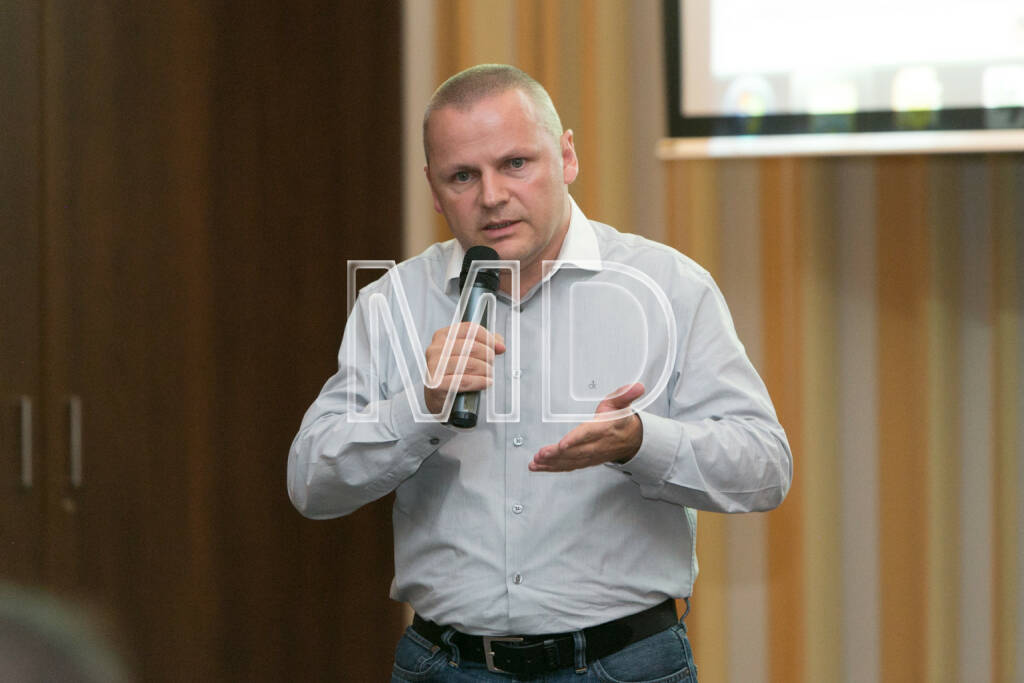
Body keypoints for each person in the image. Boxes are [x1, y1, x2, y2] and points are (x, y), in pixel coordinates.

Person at [288, 64, 792, 682]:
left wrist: (641, 441)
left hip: (625, 665)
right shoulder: (393, 302)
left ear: (567, 155)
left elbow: (765, 468)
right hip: (447, 666)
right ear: (433, 186)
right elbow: (312, 483)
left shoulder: (669, 287)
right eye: (463, 176)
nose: (492, 196)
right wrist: (420, 406)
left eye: (516, 164)